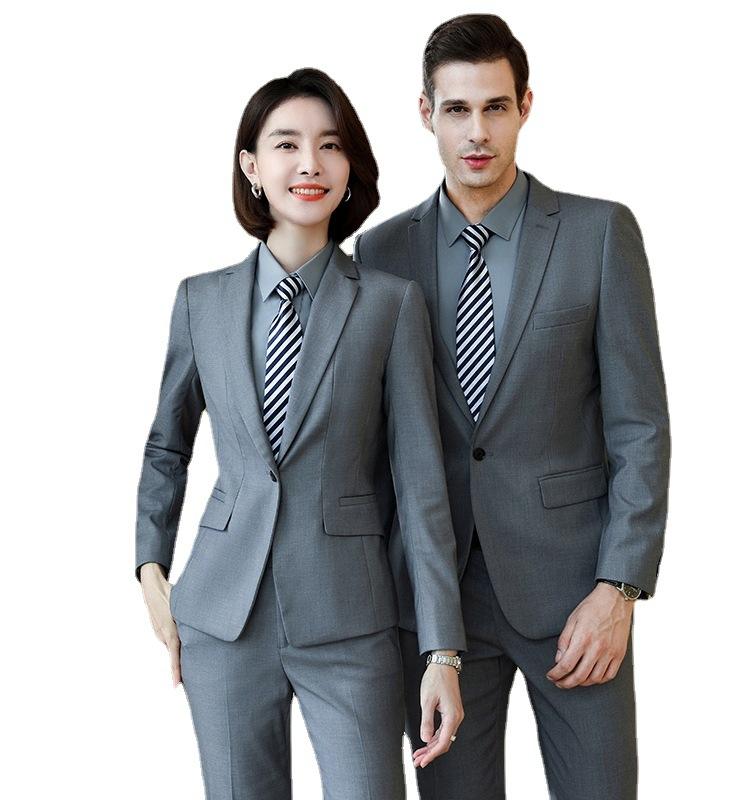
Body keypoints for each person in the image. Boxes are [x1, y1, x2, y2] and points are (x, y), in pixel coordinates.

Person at [353, 14, 671, 800]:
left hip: (575, 597)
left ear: (526, 105)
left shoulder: (599, 233)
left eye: (495, 107)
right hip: (439, 610)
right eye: (457, 110)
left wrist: (620, 589)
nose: (477, 132)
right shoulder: (381, 253)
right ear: (425, 113)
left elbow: (640, 427)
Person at [134, 67, 466, 800]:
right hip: (222, 616)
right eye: (286, 144)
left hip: (350, 619)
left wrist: (443, 650)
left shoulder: (390, 305)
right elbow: (167, 447)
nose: (309, 163)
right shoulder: (200, 301)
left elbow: (421, 486)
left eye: (330, 145)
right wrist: (150, 567)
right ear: (252, 167)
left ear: (350, 170)